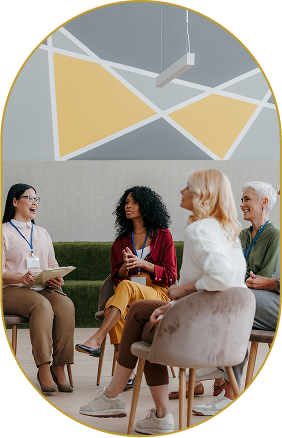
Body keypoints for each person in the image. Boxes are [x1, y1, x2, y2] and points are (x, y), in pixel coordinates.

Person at [78, 169, 248, 434]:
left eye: (187, 187)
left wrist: (180, 292)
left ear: (202, 194)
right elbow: (224, 287)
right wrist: (172, 305)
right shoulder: (228, 231)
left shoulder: (197, 230)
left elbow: (221, 277)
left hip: (199, 329)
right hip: (227, 330)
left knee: (146, 327)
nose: (181, 191)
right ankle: (124, 400)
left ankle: (126, 400)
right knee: (140, 311)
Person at [75, 186, 177, 386]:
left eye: (133, 202)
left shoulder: (163, 236)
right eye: (126, 202)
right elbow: (116, 278)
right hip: (129, 292)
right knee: (119, 296)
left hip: (158, 293)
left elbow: (171, 276)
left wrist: (143, 264)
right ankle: (128, 374)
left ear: (146, 206)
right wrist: (125, 267)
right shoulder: (120, 241)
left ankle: (99, 340)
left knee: (124, 290)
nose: (128, 206)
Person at [195, 182, 280, 414]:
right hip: (247, 298)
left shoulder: (274, 234)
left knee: (234, 303)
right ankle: (228, 390)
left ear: (264, 203)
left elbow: (266, 277)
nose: (241, 205)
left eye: (246, 199)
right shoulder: (243, 234)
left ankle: (216, 365)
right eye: (241, 200)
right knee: (236, 316)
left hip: (273, 302)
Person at [2, 183, 75, 393]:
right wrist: (21, 277)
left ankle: (58, 366)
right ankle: (43, 366)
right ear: (15, 202)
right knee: (42, 306)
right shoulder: (4, 231)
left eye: (36, 199)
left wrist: (57, 278)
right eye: (29, 198)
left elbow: (52, 265)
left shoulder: (42, 232)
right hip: (11, 289)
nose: (34, 202)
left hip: (42, 287)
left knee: (65, 305)